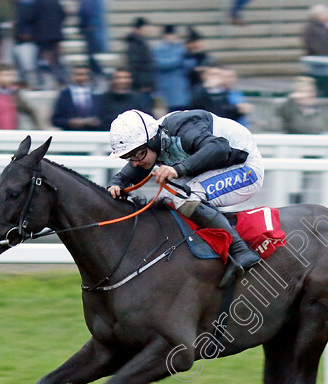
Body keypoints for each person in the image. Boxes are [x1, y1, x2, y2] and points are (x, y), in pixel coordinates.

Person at [107, 109, 264, 287]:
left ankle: (241, 251)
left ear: (153, 140)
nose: (135, 162)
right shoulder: (152, 142)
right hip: (212, 165)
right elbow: (135, 167)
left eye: (137, 155)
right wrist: (117, 183)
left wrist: (178, 170)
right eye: (128, 157)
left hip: (244, 167)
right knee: (166, 200)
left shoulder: (184, 129)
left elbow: (219, 148)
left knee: (185, 199)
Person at [51, 65, 102, 130]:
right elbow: (55, 120)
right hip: (71, 134)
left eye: (86, 75)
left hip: (94, 133)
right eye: (79, 75)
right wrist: (70, 122)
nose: (82, 78)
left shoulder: (98, 94)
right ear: (72, 76)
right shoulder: (64, 95)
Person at [153, 24, 190, 112]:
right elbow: (161, 63)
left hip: (181, 84)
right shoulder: (159, 49)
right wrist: (179, 58)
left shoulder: (181, 47)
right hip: (166, 85)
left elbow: (188, 64)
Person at [78, 0, 107, 78]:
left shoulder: (88, 2)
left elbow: (85, 11)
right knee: (92, 53)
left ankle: (98, 72)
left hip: (90, 28)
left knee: (92, 53)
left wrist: (81, 25)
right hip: (94, 27)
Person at [125, 17, 154, 93]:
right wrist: (142, 84)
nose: (148, 30)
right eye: (146, 28)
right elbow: (135, 66)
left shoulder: (142, 42)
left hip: (146, 83)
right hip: (142, 85)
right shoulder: (135, 44)